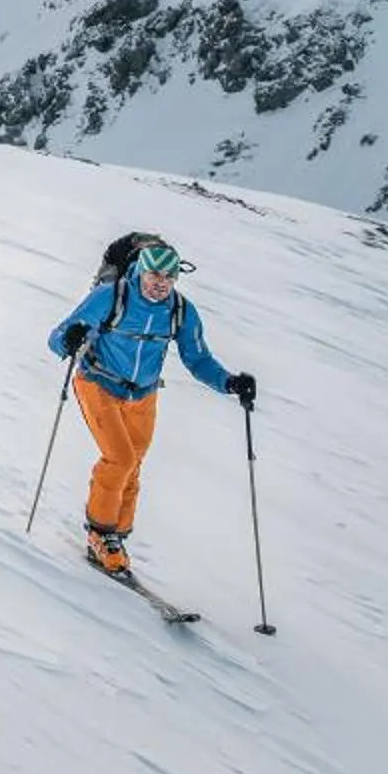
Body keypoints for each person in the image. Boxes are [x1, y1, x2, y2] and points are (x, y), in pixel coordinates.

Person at [46, 236, 255, 577]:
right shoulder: (110, 297)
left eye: (169, 277)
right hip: (98, 383)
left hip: (143, 395)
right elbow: (59, 335)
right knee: (120, 459)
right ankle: (100, 534)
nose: (161, 283)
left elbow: (198, 359)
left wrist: (230, 383)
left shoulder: (181, 312)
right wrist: (68, 341)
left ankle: (116, 535)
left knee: (133, 464)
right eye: (154, 275)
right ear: (140, 271)